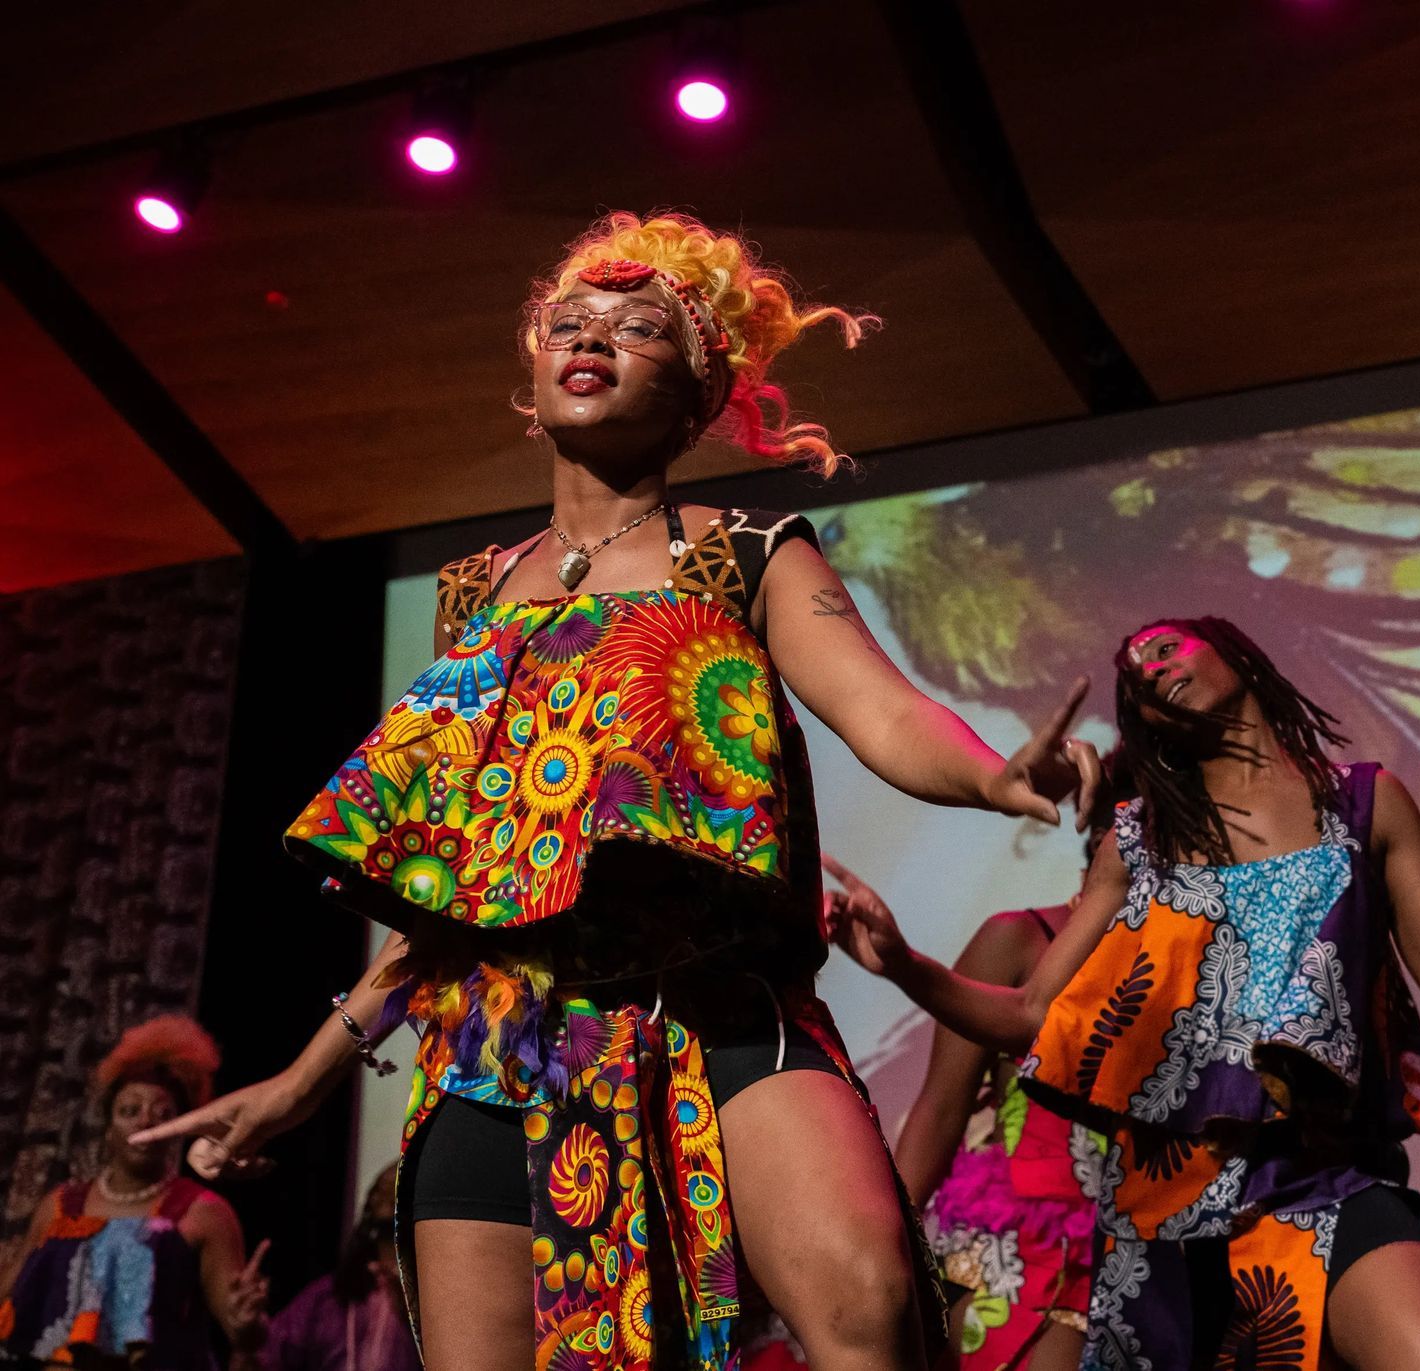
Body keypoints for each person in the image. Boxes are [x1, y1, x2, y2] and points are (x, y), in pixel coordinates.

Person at [133, 211, 1099, 1371]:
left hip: (714, 1011)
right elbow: (454, 892)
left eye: (641, 327)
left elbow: (884, 712)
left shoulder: (738, 552)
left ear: (697, 398)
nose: (591, 338)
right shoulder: (473, 597)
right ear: (534, 375)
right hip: (500, 1045)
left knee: (868, 1307)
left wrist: (994, 776)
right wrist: (300, 1082)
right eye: (567, 323)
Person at [833, 614, 1420, 1370]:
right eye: (1134, 676)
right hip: (1166, 1228)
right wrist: (905, 962)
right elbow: (1029, 1015)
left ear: (1237, 654)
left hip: (1326, 1182)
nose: (1151, 673)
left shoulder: (1366, 803)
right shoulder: (1139, 839)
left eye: (1165, 649)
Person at [831, 775, 1129, 1371]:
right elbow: (940, 1111)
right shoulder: (1020, 939)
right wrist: (883, 1268)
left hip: (1132, 1251)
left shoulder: (1186, 960)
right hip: (1013, 1247)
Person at [0, 1017, 269, 1369]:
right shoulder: (60, 1206)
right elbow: (11, 1294)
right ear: (108, 1128)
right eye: (129, 1111)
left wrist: (247, 1324)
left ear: (179, 1128)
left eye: (163, 1113)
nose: (145, 1121)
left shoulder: (202, 1214)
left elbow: (239, 1328)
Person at [248, 1161, 417, 1371]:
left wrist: (409, 1310)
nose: (388, 1188)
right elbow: (268, 1357)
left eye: (400, 1187)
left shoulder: (433, 1300)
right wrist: (246, 1341)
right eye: (379, 1189)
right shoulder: (328, 1298)